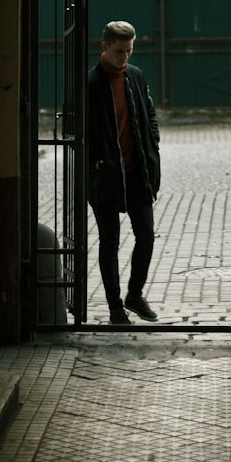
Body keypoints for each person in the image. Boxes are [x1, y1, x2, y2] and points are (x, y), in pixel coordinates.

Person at [87, 20, 161, 325]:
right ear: (104, 47)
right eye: (120, 51)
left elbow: (149, 112)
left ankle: (134, 295)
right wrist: (97, 162)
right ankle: (115, 307)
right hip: (106, 176)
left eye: (129, 50)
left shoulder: (135, 76)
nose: (125, 57)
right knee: (109, 242)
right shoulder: (91, 83)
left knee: (146, 235)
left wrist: (152, 141)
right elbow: (78, 129)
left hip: (137, 172)